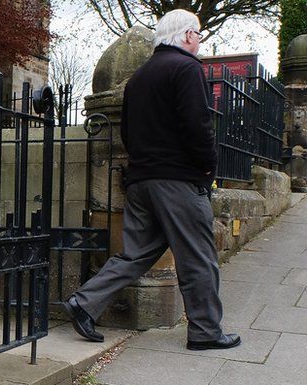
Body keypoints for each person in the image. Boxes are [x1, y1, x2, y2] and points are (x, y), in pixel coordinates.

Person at [63, 9, 241, 351]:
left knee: (135, 254)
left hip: (141, 180)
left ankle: (84, 303)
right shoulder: (186, 68)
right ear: (188, 35)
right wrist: (207, 167)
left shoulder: (140, 77)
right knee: (199, 256)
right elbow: (197, 125)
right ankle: (205, 331)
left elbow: (127, 132)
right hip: (178, 181)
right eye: (198, 35)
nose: (200, 42)